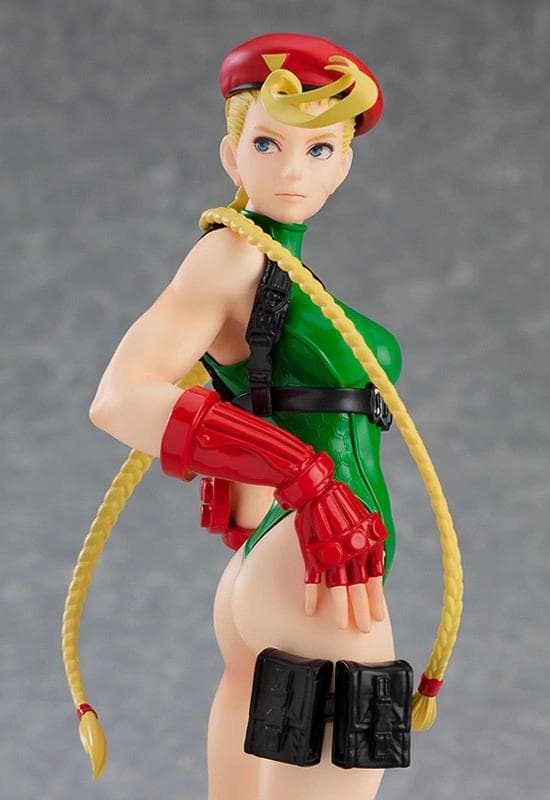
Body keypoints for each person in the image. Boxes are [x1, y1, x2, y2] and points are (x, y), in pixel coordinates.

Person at [62, 33, 463, 800]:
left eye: (320, 149)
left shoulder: (281, 270)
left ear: (343, 165)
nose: (293, 170)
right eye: (269, 143)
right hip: (315, 569)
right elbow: (120, 397)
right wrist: (306, 479)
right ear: (232, 154)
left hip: (282, 565)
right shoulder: (233, 257)